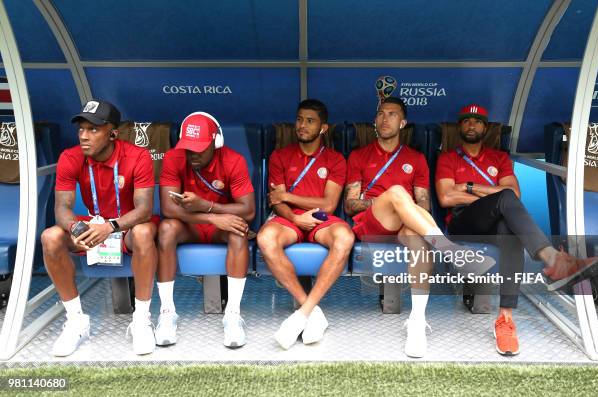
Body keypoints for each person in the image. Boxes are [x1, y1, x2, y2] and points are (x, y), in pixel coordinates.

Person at [435, 103, 598, 356]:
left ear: (486, 128)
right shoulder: (448, 157)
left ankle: (505, 319)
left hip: (496, 221)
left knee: (509, 225)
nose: (471, 125)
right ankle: (553, 259)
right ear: (459, 126)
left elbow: (515, 193)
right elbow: (447, 198)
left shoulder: (499, 158)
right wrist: (488, 194)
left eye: (477, 121)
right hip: (463, 222)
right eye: (467, 121)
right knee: (504, 200)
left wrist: (467, 187)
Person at [344, 97, 494, 358]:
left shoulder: (416, 158)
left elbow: (423, 205)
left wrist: (406, 209)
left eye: (392, 114)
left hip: (405, 223)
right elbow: (350, 204)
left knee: (418, 237)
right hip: (373, 223)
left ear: (402, 123)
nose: (384, 119)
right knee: (397, 192)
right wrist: (388, 200)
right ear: (375, 120)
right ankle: (450, 250)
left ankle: (417, 320)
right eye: (380, 114)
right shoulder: (359, 155)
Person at [41, 100, 158, 356]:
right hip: (90, 226)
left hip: (124, 226)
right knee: (50, 237)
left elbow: (144, 210)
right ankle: (76, 321)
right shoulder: (70, 157)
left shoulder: (137, 155)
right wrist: (75, 228)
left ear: (113, 133)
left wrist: (111, 227)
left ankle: (141, 320)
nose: (84, 135)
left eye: (93, 129)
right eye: (81, 129)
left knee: (145, 232)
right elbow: (62, 207)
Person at [257, 99, 354, 350]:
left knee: (344, 237)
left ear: (323, 128)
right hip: (289, 219)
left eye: (310, 121)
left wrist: (289, 196)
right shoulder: (280, 156)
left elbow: (329, 204)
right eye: (299, 119)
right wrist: (294, 217)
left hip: (321, 218)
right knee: (266, 238)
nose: (302, 125)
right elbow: (276, 202)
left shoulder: (335, 159)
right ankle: (310, 311)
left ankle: (301, 315)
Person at [156, 112, 255, 348]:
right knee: (166, 229)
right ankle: (167, 312)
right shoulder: (174, 157)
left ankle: (232, 314)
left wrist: (209, 207)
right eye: (188, 147)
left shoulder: (233, 160)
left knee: (239, 230)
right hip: (189, 225)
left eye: (200, 147)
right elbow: (168, 209)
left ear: (215, 142)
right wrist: (211, 217)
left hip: (222, 227)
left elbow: (248, 210)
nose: (193, 154)